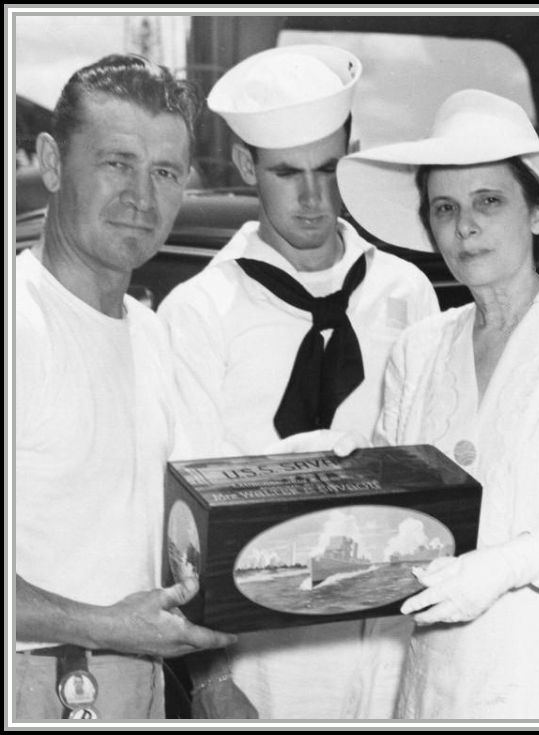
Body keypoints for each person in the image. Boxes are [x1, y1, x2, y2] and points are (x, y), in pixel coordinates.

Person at [158, 45, 440, 720]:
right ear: (246, 165)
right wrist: (211, 682)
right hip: (258, 657)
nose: (313, 198)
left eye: (328, 169)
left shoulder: (407, 292)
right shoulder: (197, 313)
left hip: (391, 647)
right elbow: (178, 524)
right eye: (288, 173)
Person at [336, 88, 539, 719]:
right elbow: (392, 525)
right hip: (434, 688)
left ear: (537, 214)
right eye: (445, 208)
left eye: (489, 201)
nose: (465, 226)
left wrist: (513, 562)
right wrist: (344, 496)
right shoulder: (418, 349)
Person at [15, 54, 236, 721]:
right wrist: (109, 625)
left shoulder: (154, 334)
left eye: (164, 172)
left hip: (140, 686)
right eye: (117, 162)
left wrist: (214, 681)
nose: (142, 196)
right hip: (34, 682)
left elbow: (187, 544)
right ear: (52, 163)